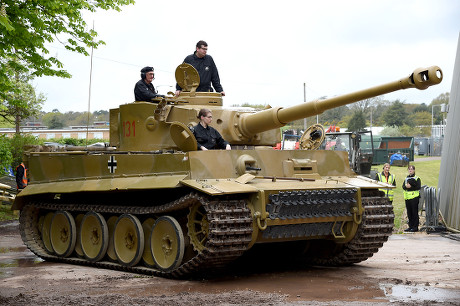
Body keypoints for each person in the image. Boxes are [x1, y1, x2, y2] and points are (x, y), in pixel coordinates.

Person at [402, 165, 421, 232]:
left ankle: (415, 227)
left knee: (414, 213)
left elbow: (418, 187)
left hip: (414, 198)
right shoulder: (406, 178)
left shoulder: (417, 178)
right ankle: (410, 226)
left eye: (412, 169)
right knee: (409, 213)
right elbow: (403, 187)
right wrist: (406, 187)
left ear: (414, 170)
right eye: (409, 169)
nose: (410, 170)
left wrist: (410, 187)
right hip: (407, 198)